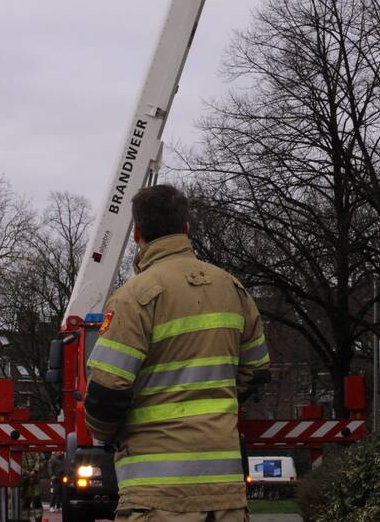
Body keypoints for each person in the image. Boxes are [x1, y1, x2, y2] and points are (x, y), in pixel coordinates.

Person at [84, 184, 271, 522]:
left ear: (137, 233)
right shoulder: (233, 289)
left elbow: (106, 394)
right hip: (224, 492)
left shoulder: (133, 298)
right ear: (186, 228)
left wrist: (108, 435)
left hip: (157, 495)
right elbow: (257, 371)